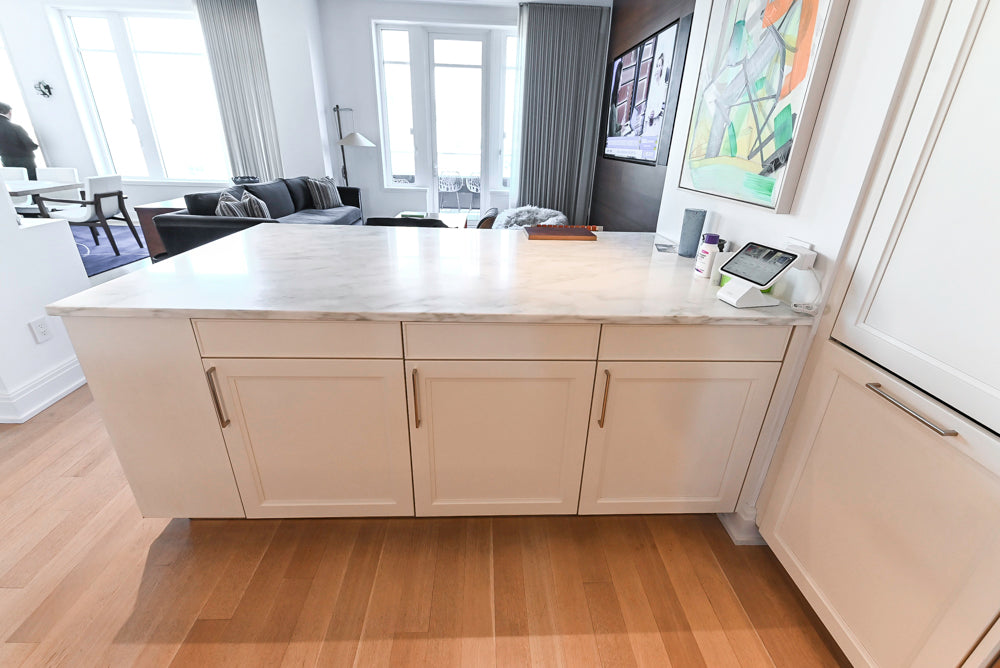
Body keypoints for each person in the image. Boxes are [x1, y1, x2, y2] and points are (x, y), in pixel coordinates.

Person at [0, 102, 39, 180]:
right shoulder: (15, 127)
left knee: (17, 182)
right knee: (32, 182)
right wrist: (36, 146)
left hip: (6, 160)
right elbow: (30, 145)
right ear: (9, 112)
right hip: (24, 160)